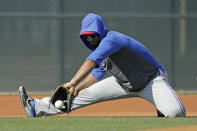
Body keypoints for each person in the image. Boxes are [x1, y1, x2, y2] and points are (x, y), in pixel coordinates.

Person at [18, 13, 186, 117]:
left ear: (100, 30)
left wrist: (73, 81)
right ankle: (36, 107)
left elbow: (91, 61)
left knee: (175, 113)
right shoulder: (102, 49)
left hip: (151, 80)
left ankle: (164, 107)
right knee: (74, 95)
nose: (90, 38)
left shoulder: (112, 39)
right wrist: (78, 87)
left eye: (92, 34)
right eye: (86, 36)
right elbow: (97, 72)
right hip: (123, 83)